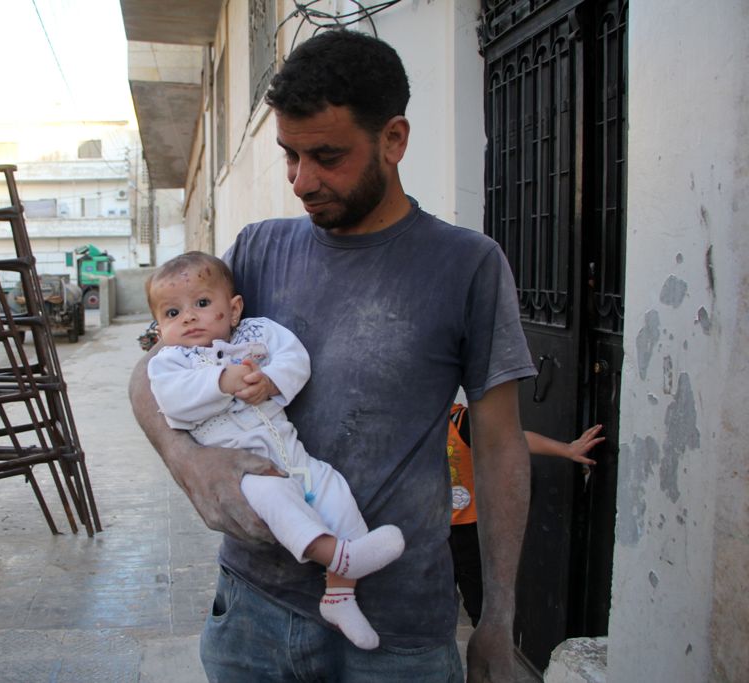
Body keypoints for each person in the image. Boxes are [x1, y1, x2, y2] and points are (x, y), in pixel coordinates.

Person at [130, 29, 535, 682]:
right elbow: (150, 371)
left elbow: (499, 445)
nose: (301, 180)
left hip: (400, 627)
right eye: (290, 156)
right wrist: (190, 464)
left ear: (393, 140)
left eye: (326, 156)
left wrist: (499, 616)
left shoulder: (467, 265)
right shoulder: (257, 250)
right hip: (253, 612)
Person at [146, 251, 405, 650]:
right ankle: (340, 556)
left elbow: (295, 357)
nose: (189, 318)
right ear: (159, 326)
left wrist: (269, 380)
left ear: (234, 309)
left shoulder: (258, 334)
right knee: (276, 498)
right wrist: (221, 381)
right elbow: (173, 401)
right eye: (172, 313)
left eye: (202, 303)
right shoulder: (170, 362)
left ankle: (339, 595)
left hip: (291, 453)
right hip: (245, 469)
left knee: (332, 486)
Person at [447, 403, 605, 626]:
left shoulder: (461, 422)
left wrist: (567, 449)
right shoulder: (413, 426)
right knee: (431, 604)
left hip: (471, 530)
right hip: (431, 531)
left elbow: (512, 439)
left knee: (480, 605)